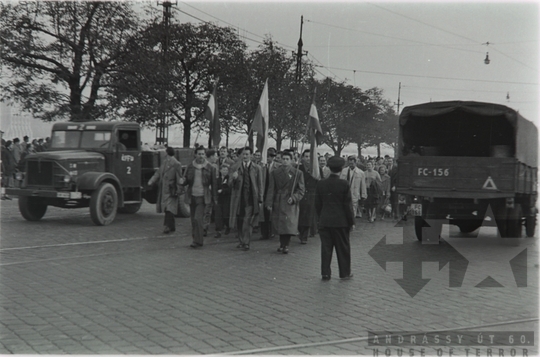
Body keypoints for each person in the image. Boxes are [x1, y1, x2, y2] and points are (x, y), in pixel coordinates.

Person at [315, 156, 355, 281]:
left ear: (329, 168)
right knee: (343, 248)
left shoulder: (321, 183)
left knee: (326, 248)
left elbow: (317, 204)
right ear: (341, 169)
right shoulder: (344, 184)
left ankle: (325, 273)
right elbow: (348, 205)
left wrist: (321, 217)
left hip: (325, 221)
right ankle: (344, 273)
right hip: (341, 222)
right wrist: (351, 222)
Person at [265, 151, 305, 254]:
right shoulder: (274, 173)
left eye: (287, 159)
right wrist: (269, 202)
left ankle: (286, 245)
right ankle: (282, 244)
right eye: (283, 159)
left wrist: (294, 198)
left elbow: (301, 190)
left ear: (291, 160)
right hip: (278, 200)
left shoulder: (297, 173)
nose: (285, 161)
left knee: (288, 224)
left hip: (290, 201)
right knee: (280, 224)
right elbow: (271, 188)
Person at [183, 146, 218, 248]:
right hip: (192, 196)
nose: (201, 156)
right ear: (195, 155)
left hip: (203, 197)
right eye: (199, 154)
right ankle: (195, 239)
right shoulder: (190, 166)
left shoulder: (210, 168)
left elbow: (214, 185)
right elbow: (186, 180)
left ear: (205, 155)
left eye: (203, 154)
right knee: (193, 220)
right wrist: (183, 182)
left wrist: (215, 198)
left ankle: (198, 241)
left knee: (198, 219)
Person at [229, 147, 263, 251]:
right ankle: (241, 241)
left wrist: (260, 199)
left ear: (251, 155)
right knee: (239, 220)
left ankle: (246, 242)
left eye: (247, 154)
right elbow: (229, 184)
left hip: (250, 199)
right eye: (243, 154)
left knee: (247, 221)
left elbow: (260, 185)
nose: (245, 156)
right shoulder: (235, 167)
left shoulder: (256, 168)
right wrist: (233, 178)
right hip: (239, 200)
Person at [148, 147, 184, 234]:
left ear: (167, 153)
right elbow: (158, 173)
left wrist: (178, 189)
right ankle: (172, 226)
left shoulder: (176, 164)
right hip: (164, 189)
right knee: (168, 208)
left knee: (169, 208)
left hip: (171, 189)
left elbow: (179, 177)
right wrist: (151, 181)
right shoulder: (164, 162)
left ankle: (167, 226)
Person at [298, 149, 318, 244]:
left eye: (309, 157)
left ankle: (304, 236)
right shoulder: (298, 168)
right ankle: (301, 232)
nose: (308, 159)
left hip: (311, 194)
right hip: (301, 193)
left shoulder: (315, 169)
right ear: (302, 158)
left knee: (308, 215)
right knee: (300, 214)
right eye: (306, 156)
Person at [259, 147, 280, 240]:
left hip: (273, 193)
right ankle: (264, 233)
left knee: (271, 213)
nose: (267, 158)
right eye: (266, 156)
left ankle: (271, 232)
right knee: (262, 214)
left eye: (269, 156)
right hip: (263, 191)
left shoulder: (277, 167)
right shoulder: (260, 166)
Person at [214, 164, 231, 238]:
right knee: (218, 215)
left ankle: (228, 226)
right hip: (219, 199)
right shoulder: (218, 180)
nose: (225, 171)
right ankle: (218, 231)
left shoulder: (229, 179)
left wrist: (223, 190)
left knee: (225, 214)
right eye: (223, 170)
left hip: (227, 199)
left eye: (226, 170)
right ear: (220, 170)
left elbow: (231, 189)